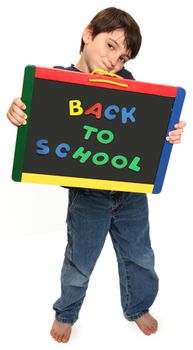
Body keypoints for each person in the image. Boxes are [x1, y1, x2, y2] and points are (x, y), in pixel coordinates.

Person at [7, 7, 186, 342]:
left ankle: (138, 306)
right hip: (87, 196)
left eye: (124, 56)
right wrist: (19, 111)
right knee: (80, 261)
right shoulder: (58, 81)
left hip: (130, 191)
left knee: (141, 255)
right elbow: (38, 115)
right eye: (111, 45)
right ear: (89, 33)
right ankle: (67, 312)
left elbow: (143, 133)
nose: (116, 60)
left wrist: (168, 133)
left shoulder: (127, 85)